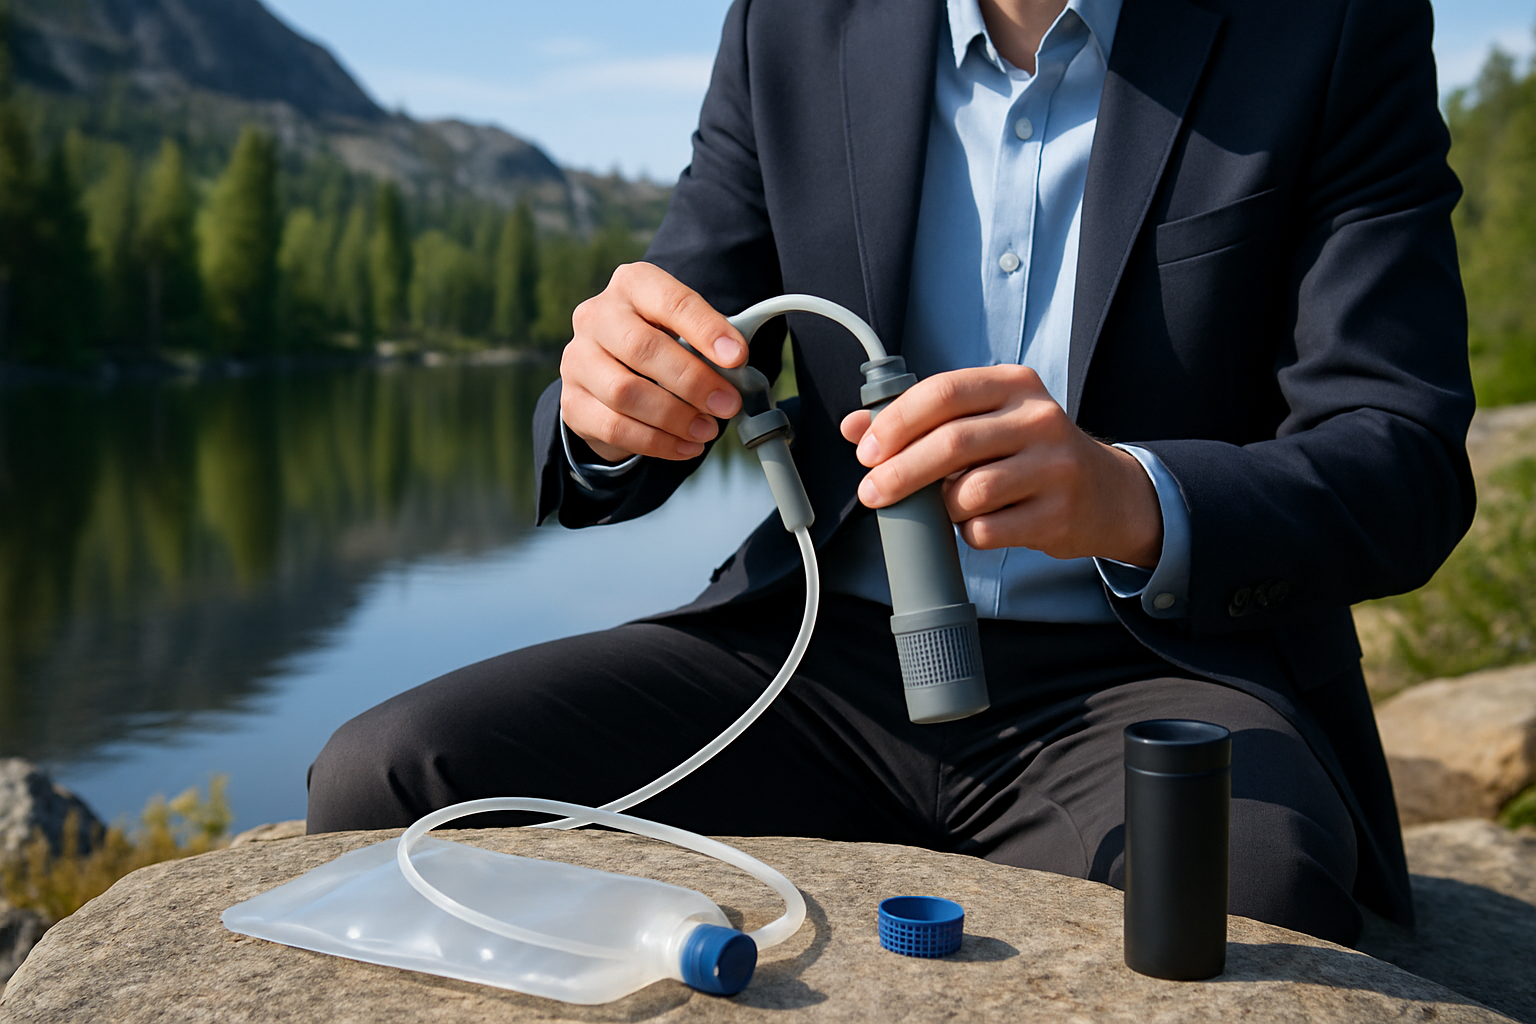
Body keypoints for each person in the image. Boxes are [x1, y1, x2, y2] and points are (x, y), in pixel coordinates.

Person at [307, 0, 1475, 947]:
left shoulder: (1328, 24)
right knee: (388, 781)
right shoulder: (793, 22)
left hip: (1147, 676)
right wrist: (609, 408)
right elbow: (675, 332)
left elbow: (1402, 455)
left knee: (1233, 905)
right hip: (817, 662)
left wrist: (1130, 496)